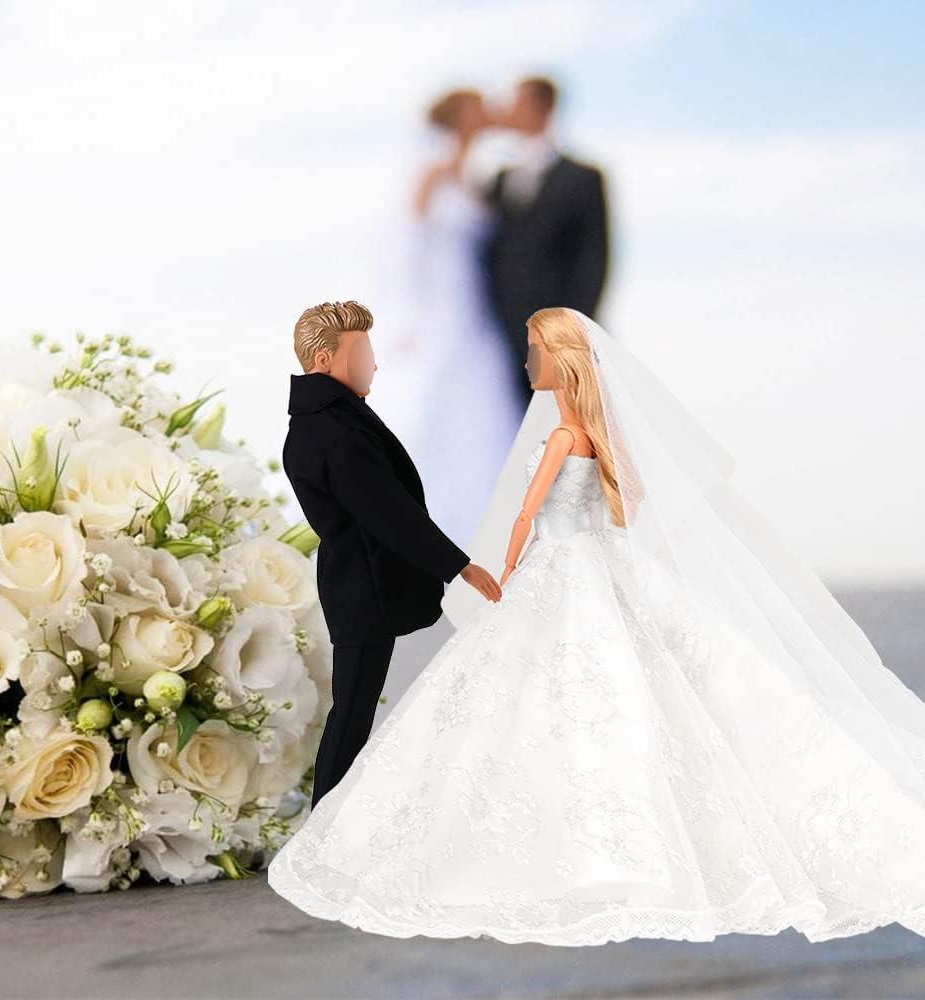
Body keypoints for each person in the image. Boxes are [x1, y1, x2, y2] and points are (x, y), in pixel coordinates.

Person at [268, 305, 925, 946]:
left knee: (533, 694)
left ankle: (349, 821)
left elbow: (524, 514)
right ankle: (342, 813)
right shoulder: (583, 435)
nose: (527, 361)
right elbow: (620, 501)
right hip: (576, 560)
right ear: (330, 360)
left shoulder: (556, 436)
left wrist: (498, 561)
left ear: (561, 361)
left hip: (553, 565)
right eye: (363, 354)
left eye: (535, 352)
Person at [281, 300, 502, 809]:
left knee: (355, 709)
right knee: (352, 711)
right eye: (361, 353)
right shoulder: (332, 431)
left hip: (361, 583)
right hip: (363, 589)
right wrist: (459, 565)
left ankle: (332, 826)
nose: (373, 364)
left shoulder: (327, 421)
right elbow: (389, 512)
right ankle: (324, 828)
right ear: (322, 360)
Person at [397, 87, 527, 551]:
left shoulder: (480, 177)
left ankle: (489, 520)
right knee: (438, 400)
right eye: (477, 107)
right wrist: (409, 314)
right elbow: (409, 243)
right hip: (441, 308)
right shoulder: (431, 173)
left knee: (486, 404)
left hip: (479, 308)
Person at [482, 76, 611, 410]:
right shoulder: (497, 180)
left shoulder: (584, 178)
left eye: (516, 102)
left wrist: (567, 337)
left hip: (563, 343)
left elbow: (594, 261)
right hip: (504, 342)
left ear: (543, 107)